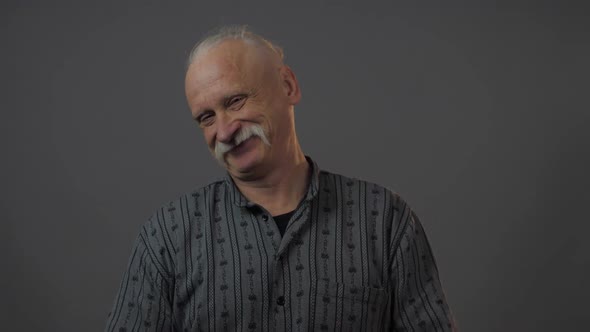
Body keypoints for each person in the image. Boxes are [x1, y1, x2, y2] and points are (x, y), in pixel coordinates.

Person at [105, 25, 455, 331]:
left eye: (236, 100)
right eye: (206, 117)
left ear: (288, 85)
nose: (224, 131)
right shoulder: (167, 235)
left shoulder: (384, 220)